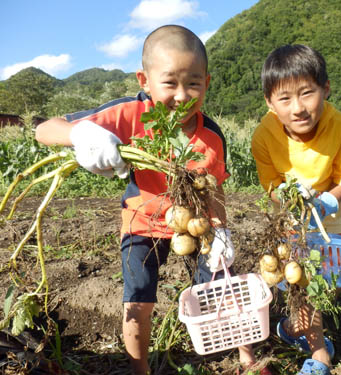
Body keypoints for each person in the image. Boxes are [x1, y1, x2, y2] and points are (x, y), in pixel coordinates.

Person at [36, 25, 269, 375]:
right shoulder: (130, 114)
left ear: (207, 82)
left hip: (195, 224)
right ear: (144, 80)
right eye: (170, 83)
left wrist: (220, 230)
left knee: (224, 286)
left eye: (192, 83)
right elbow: (44, 130)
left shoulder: (211, 135)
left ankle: (248, 359)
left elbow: (216, 188)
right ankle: (139, 368)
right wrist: (79, 133)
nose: (182, 95)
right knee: (138, 301)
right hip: (141, 223)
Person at [251, 44, 341, 375]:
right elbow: (270, 184)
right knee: (303, 281)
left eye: (307, 93)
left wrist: (327, 200)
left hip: (334, 207)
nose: (298, 108)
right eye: (284, 99)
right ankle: (320, 354)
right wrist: (288, 200)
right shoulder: (264, 136)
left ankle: (290, 327)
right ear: (270, 103)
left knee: (339, 279)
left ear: (325, 89)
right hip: (292, 213)